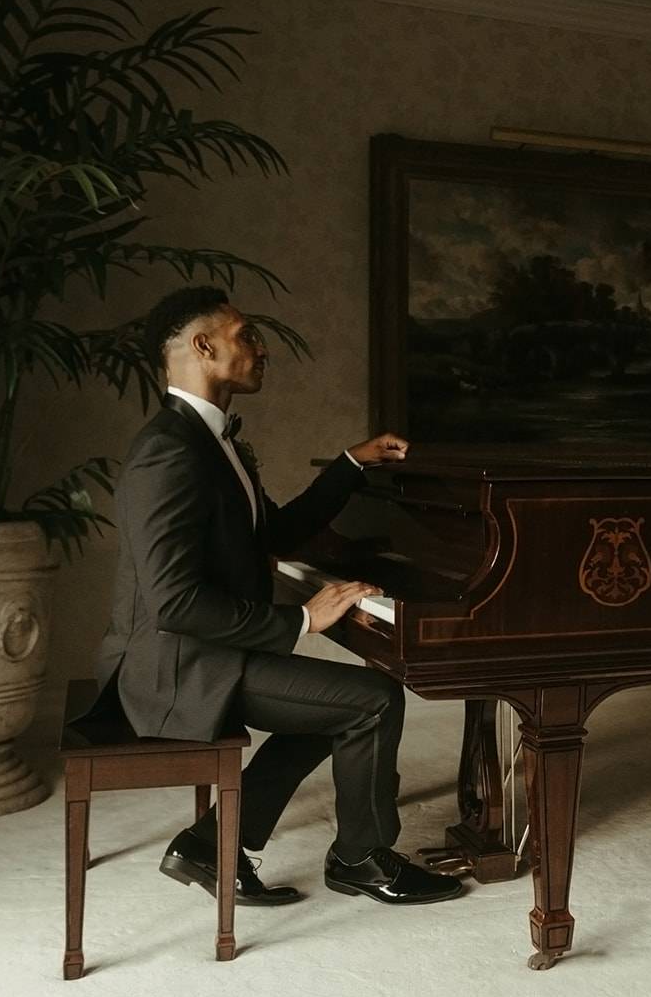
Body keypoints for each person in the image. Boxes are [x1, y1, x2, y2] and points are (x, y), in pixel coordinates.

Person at [90, 286, 463, 908]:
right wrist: (302, 619)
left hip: (204, 649)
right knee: (370, 699)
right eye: (246, 336)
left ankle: (213, 845)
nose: (262, 350)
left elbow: (278, 532)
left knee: (336, 708)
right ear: (203, 346)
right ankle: (361, 860)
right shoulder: (168, 453)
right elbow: (173, 604)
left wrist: (349, 464)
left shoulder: (211, 442)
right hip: (174, 665)